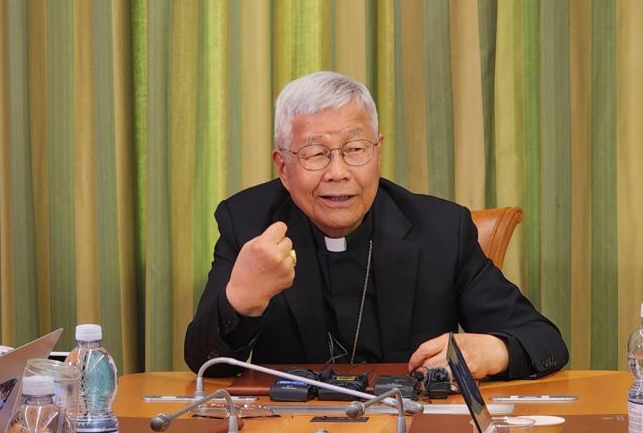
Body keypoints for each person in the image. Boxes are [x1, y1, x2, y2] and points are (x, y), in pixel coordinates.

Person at [184, 71, 568, 379]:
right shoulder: (247, 223)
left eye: (355, 150)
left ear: (378, 152)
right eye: (316, 153)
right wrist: (241, 301)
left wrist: (490, 351)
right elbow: (204, 365)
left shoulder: (441, 230)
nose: (338, 172)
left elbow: (544, 339)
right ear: (283, 167)